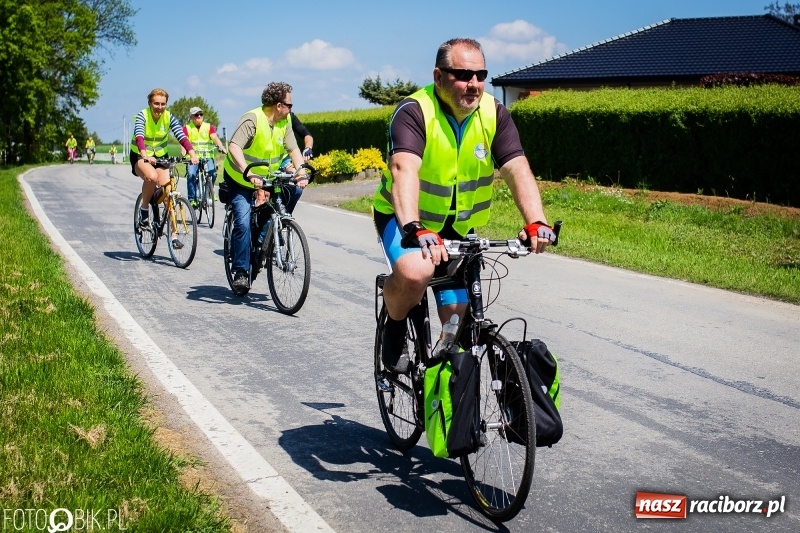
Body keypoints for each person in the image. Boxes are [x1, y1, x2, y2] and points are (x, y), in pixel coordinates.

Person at [372, 38, 557, 374]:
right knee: (415, 273)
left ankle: (446, 389)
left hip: (457, 227)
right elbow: (403, 170)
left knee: (456, 325)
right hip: (406, 221)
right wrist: (413, 227)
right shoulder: (415, 111)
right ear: (438, 76)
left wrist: (536, 221)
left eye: (480, 75)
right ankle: (394, 327)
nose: (474, 84)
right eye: (463, 75)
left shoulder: (493, 113)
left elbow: (517, 168)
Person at [223, 81, 310, 292]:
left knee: (295, 190)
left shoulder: (285, 121)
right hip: (240, 178)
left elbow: (293, 149)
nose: (291, 109)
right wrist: (248, 172)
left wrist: (301, 172)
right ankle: (241, 271)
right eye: (289, 105)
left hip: (268, 178)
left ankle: (265, 233)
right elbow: (234, 147)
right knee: (243, 222)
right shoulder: (252, 119)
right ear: (278, 105)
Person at [130, 88, 199, 249]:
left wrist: (192, 153)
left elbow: (181, 136)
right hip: (140, 156)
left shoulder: (168, 117)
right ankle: (144, 210)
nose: (159, 107)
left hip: (161, 157)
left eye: (163, 104)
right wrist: (144, 154)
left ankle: (174, 236)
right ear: (150, 103)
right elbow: (139, 136)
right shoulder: (143, 115)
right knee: (151, 177)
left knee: (169, 193)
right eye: (156, 103)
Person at [182, 106, 227, 208]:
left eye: (201, 114)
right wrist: (183, 150)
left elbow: (214, 137)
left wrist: (221, 146)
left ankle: (210, 191)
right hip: (193, 157)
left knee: (213, 173)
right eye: (196, 115)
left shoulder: (208, 126)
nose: (199, 116)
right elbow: (183, 140)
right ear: (191, 117)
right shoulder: (186, 128)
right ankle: (192, 199)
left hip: (207, 156)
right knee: (191, 174)